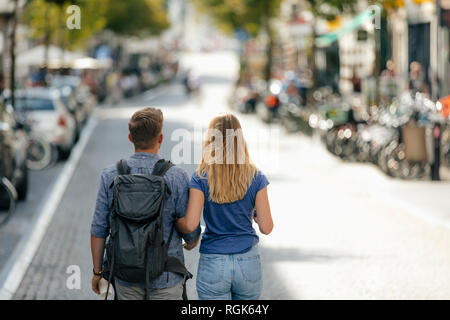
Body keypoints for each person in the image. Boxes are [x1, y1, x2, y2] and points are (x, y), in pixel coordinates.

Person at [90, 107, 201, 300]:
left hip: (125, 277)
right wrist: (192, 241)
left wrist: (98, 272)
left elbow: (99, 229)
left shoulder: (111, 175)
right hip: (166, 276)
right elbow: (190, 232)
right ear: (160, 138)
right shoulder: (177, 176)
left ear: (130, 138)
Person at [176, 114, 274, 300]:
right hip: (248, 261)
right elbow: (267, 228)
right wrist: (255, 214)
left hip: (213, 261)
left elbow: (190, 225)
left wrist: (175, 223)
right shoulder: (256, 177)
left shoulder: (201, 177)